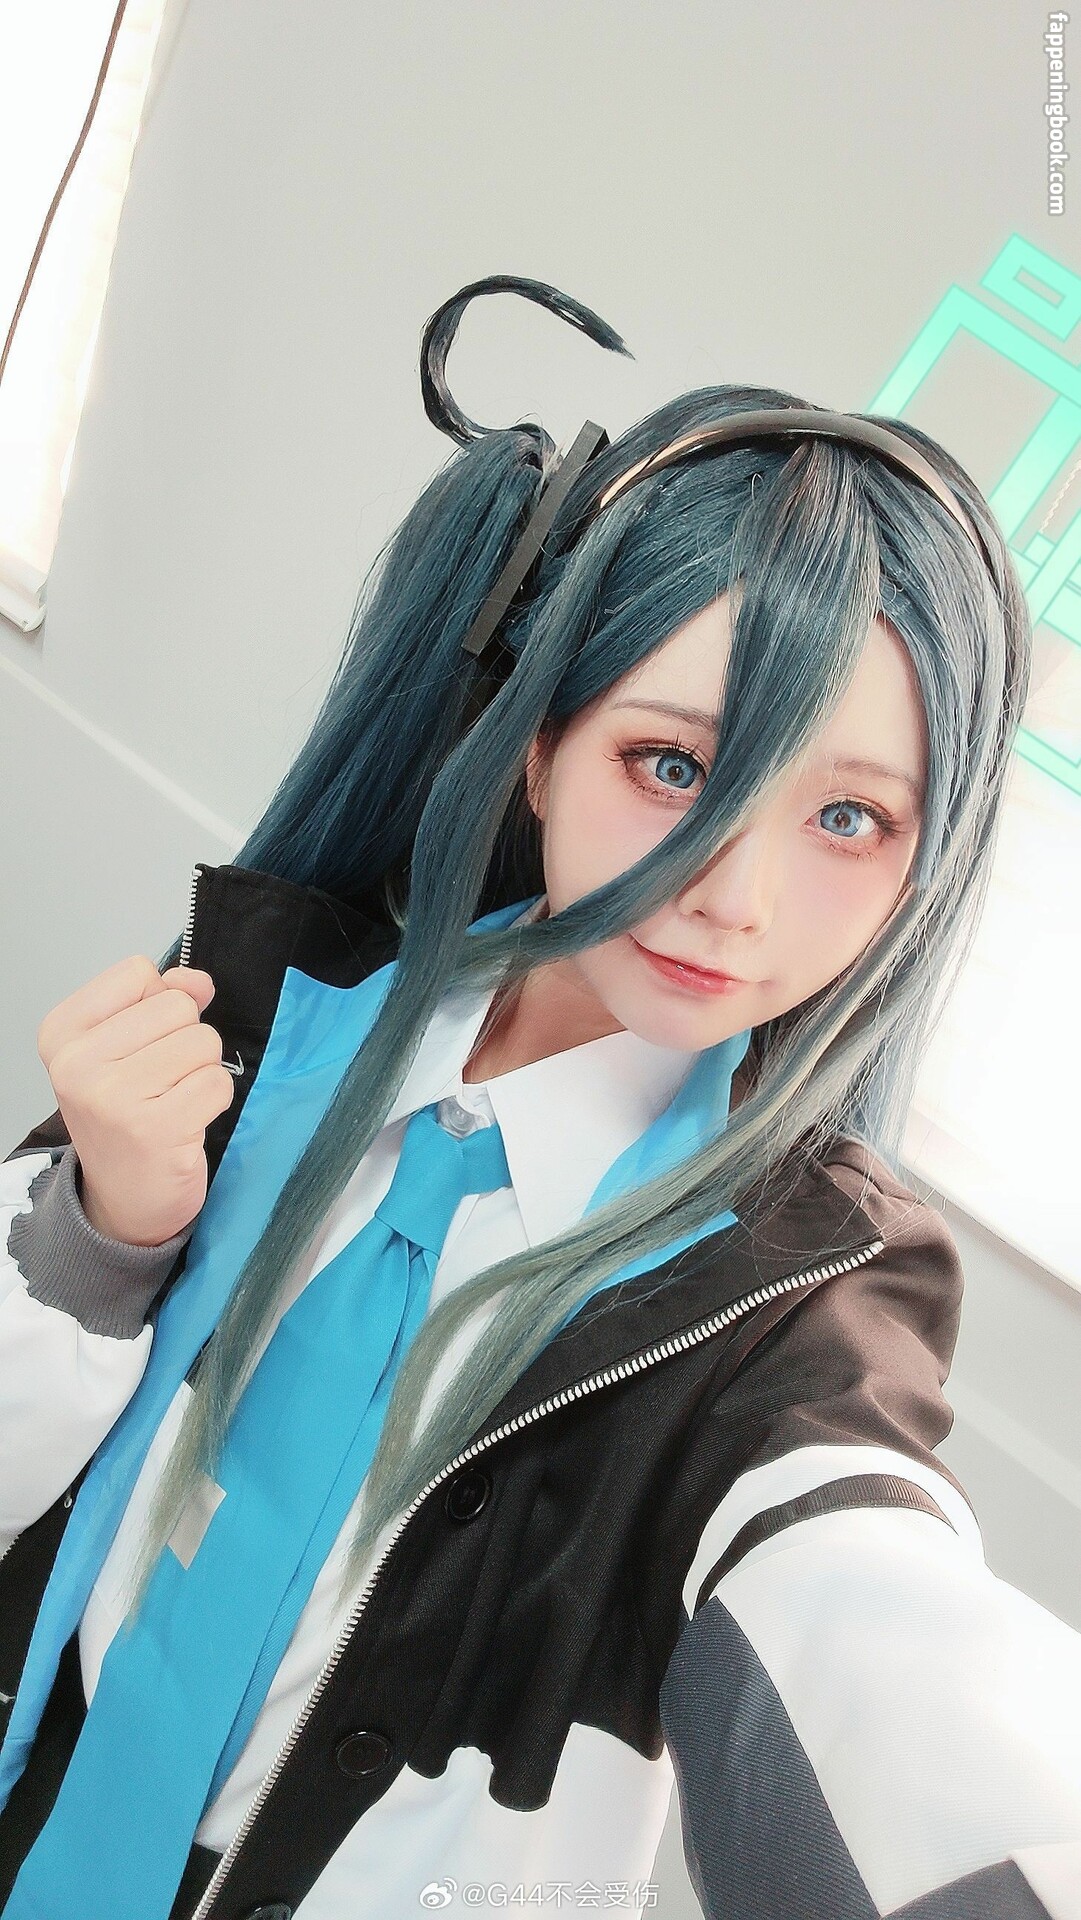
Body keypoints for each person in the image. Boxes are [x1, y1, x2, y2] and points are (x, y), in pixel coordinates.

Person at [1, 274, 1079, 1920]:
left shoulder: (799, 1307)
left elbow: (864, 1611)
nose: (734, 900)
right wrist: (101, 1241)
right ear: (539, 744)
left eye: (847, 819)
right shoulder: (261, 1013)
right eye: (674, 766)